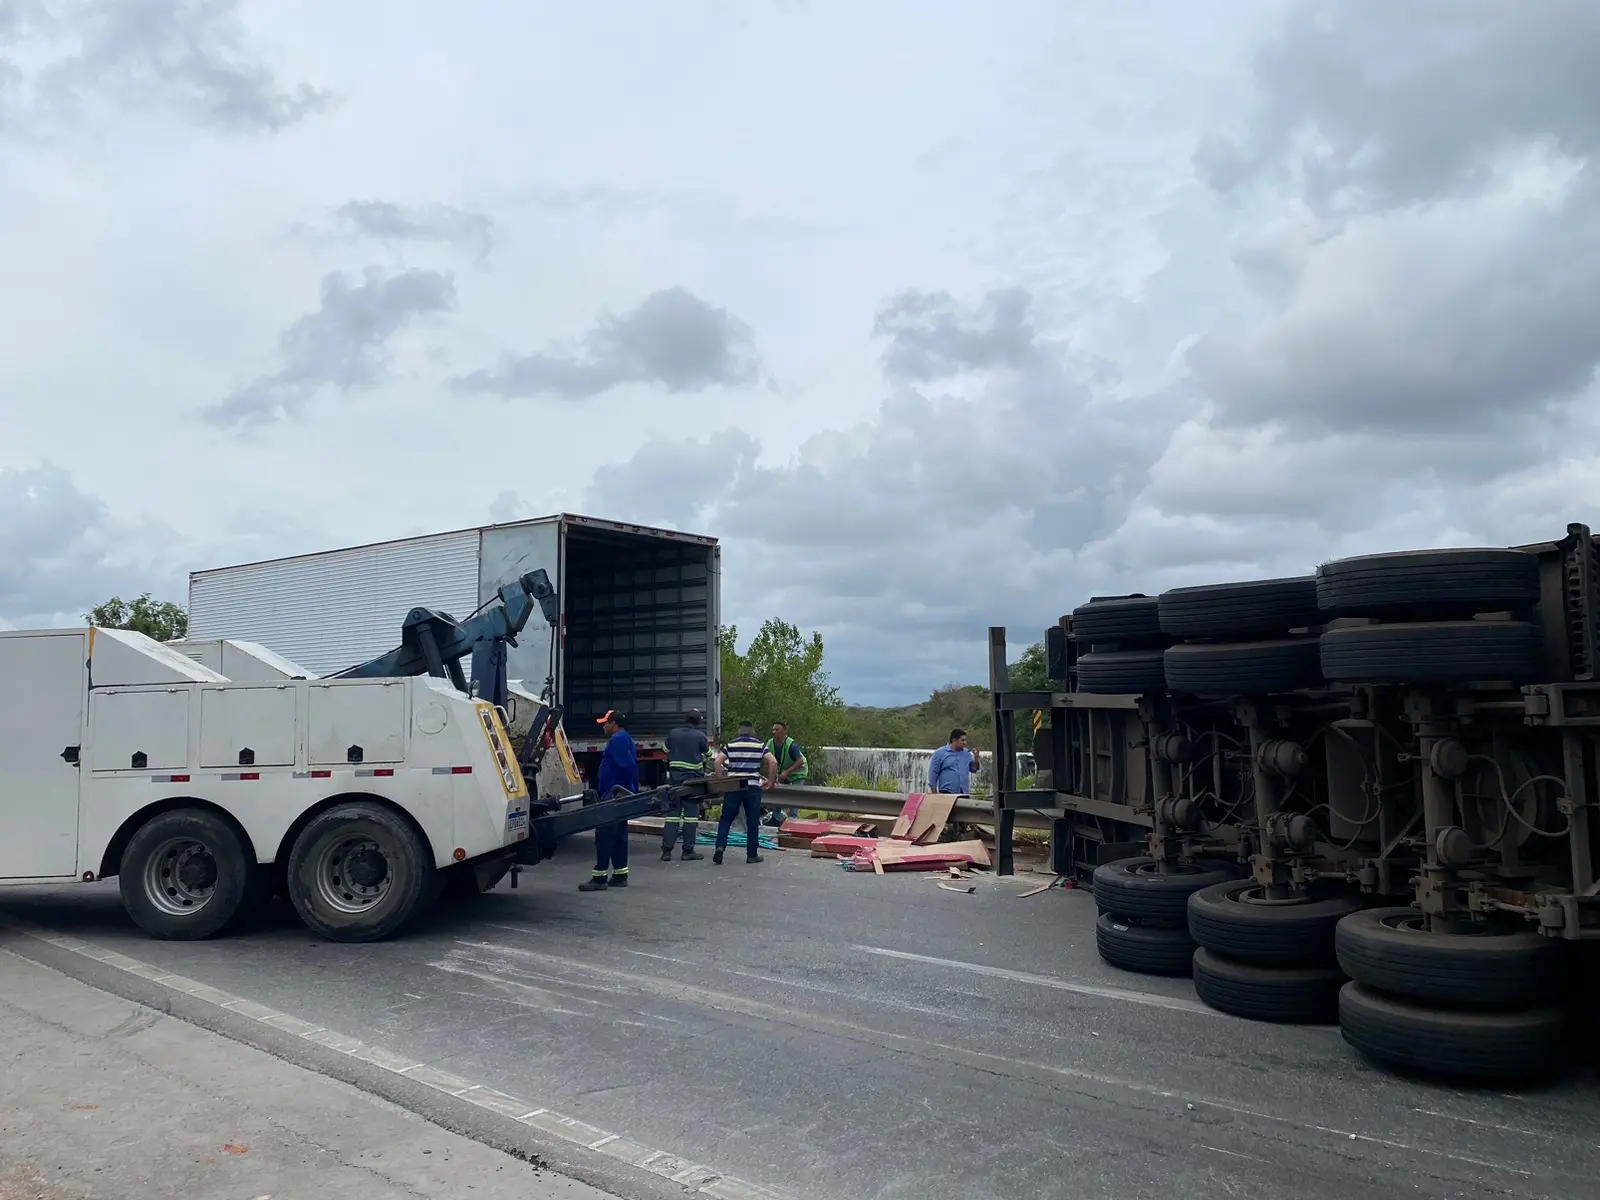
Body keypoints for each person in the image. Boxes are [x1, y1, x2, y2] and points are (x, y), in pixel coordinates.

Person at [579, 710, 638, 892]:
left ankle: (600, 877)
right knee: (619, 835)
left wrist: (618, 791)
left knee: (604, 834)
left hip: (614, 795)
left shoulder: (617, 739)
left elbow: (627, 766)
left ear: (614, 723)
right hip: (618, 794)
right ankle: (620, 875)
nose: (603, 726)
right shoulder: (625, 738)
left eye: (605, 723)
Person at [713, 720, 776, 865]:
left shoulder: (731, 745)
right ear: (752, 731)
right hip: (752, 787)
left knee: (726, 818)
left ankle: (720, 847)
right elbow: (773, 762)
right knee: (752, 821)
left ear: (739, 731)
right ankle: (752, 855)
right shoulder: (760, 745)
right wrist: (770, 781)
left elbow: (717, 762)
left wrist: (722, 781)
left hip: (733, 786)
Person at [660, 708, 710, 862]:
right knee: (690, 817)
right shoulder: (700, 736)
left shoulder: (674, 733)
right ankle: (688, 851)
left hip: (675, 780)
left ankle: (666, 851)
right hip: (692, 783)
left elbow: (664, 750)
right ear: (698, 722)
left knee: (672, 816)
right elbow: (709, 754)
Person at [763, 720, 808, 825]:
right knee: (779, 793)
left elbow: (800, 761)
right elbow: (769, 762)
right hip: (783, 771)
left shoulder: (791, 745)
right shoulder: (770, 743)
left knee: (795, 794)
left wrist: (786, 773)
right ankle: (776, 818)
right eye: (773, 730)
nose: (774, 732)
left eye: (777, 730)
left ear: (784, 731)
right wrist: (771, 778)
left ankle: (793, 819)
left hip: (798, 772)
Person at [929, 728, 981, 795]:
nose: (965, 743)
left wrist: (976, 758)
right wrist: (934, 793)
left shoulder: (967, 753)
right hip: (946, 793)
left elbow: (973, 769)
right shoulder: (940, 753)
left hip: (963, 792)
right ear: (954, 740)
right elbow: (933, 773)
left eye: (965, 740)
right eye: (962, 740)